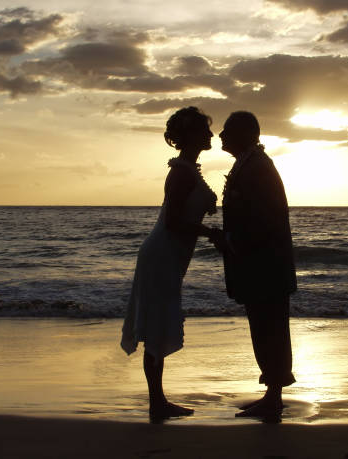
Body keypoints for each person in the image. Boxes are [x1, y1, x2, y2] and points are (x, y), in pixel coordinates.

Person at [121, 106, 218, 420]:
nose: (211, 135)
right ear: (190, 136)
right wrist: (210, 233)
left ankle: (158, 401)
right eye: (205, 130)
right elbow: (175, 221)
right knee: (156, 326)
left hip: (169, 255)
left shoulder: (188, 170)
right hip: (162, 253)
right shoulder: (180, 172)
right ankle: (157, 403)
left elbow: (185, 212)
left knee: (158, 325)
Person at [210, 111, 297, 418]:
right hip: (258, 265)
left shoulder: (257, 167)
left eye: (227, 130)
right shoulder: (249, 164)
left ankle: (274, 398)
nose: (221, 136)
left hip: (266, 267)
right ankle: (271, 393)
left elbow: (263, 220)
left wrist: (229, 240)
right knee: (263, 328)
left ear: (246, 134)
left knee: (270, 327)